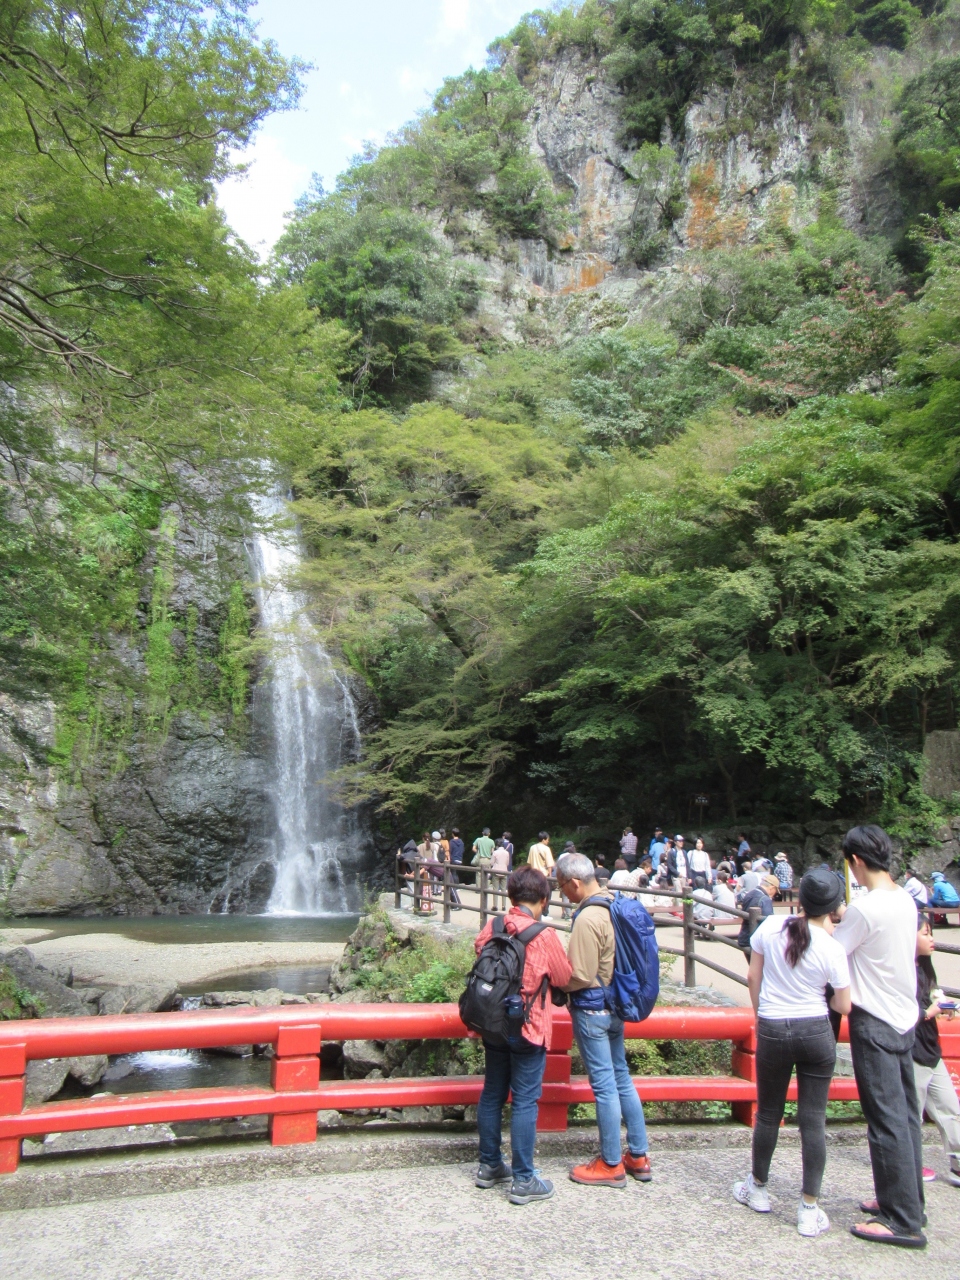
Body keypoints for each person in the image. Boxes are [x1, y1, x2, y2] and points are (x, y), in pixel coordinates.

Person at [732, 868, 851, 1237]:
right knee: (813, 1121)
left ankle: (758, 1188)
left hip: (773, 1027)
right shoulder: (832, 947)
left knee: (769, 1114)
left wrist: (761, 1014)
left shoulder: (770, 927)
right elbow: (844, 1005)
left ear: (799, 899)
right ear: (832, 908)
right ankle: (808, 1208)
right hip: (815, 1030)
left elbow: (753, 976)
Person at [834, 824, 927, 1249]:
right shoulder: (905, 899)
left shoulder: (865, 909)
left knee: (885, 1120)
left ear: (855, 861)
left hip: (874, 1021)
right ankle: (909, 1201)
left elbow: (834, 952)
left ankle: (901, 1220)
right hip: (904, 1016)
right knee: (905, 1116)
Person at [473, 866, 573, 1205]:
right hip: (528, 1026)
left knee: (492, 1093)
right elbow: (563, 977)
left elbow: (480, 956)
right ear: (544, 900)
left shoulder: (493, 926)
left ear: (510, 897)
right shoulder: (543, 935)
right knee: (525, 1100)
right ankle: (524, 1179)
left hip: (492, 1023)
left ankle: (489, 1165)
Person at [556, 852, 652, 1187]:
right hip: (617, 1004)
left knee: (604, 1086)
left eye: (562, 887)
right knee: (622, 1077)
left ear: (574, 882)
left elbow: (581, 974)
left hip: (592, 1009)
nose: (562, 894)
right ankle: (638, 1154)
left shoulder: (588, 917)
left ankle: (610, 1163)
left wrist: (557, 983)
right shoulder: (616, 904)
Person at [910, 915, 960, 1188]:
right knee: (912, 1113)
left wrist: (943, 1006)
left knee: (950, 1108)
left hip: (931, 1048)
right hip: (911, 1049)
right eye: (926, 933)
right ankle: (910, 1165)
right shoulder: (902, 970)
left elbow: (931, 999)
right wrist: (928, 1012)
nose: (932, 939)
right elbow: (900, 1012)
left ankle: (957, 1165)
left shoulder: (926, 967)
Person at [737, 874, 778, 953]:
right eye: (776, 891)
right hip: (756, 941)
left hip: (744, 936)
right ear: (772, 888)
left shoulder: (749, 893)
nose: (775, 894)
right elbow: (768, 921)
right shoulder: (765, 899)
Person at [527, 831, 556, 918]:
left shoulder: (532, 848)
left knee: (535, 894)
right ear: (543, 840)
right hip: (543, 875)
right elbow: (550, 865)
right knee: (546, 894)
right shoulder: (546, 849)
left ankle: (535, 911)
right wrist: (550, 876)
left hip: (534, 874)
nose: (548, 841)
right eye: (547, 840)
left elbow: (529, 862)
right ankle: (544, 912)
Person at [490, 839, 510, 910]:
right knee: (503, 889)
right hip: (504, 871)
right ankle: (503, 906)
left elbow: (491, 863)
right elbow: (507, 863)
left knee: (495, 889)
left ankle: (495, 906)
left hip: (496, 871)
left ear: (497, 845)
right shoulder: (507, 853)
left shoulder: (495, 852)